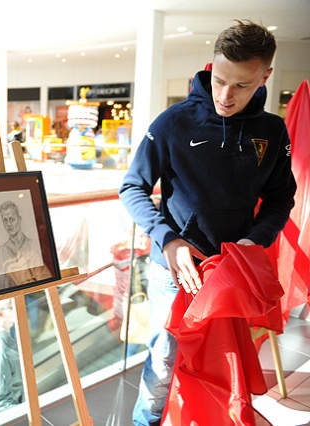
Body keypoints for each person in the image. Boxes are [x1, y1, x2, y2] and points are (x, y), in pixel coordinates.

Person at [119, 20, 296, 426]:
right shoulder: (173, 122)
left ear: (265, 76)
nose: (225, 95)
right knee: (163, 361)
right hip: (174, 272)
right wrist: (168, 240)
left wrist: (257, 240)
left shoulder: (272, 131)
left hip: (231, 275)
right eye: (219, 80)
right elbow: (131, 188)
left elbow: (280, 197)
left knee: (224, 366)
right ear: (210, 67)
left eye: (241, 85)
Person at [0, 299, 24, 415]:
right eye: (12, 307)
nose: (20, 308)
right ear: (0, 314)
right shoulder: (0, 350)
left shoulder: (0, 330)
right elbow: (0, 402)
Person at [0, 200, 43, 276]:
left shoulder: (34, 245)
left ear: (19, 219)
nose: (8, 224)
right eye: (5, 220)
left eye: (12, 219)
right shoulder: (1, 252)